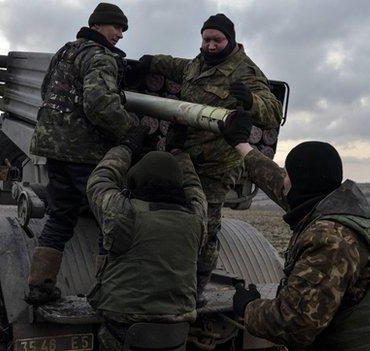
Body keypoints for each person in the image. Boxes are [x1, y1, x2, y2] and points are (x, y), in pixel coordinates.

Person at [224, 129, 370, 349]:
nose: (282, 180)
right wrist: (242, 145)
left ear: (297, 183)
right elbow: (275, 180)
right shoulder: (340, 208)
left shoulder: (330, 239)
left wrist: (248, 307)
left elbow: (294, 323)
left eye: (287, 175)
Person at [137, 13, 283, 296]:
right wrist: (152, 61)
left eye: (217, 40)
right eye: (206, 40)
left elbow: (273, 111)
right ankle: (168, 279)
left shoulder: (246, 71)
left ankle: (195, 292)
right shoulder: (198, 64)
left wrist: (251, 101)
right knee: (177, 220)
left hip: (218, 164)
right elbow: (178, 67)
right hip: (186, 158)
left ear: (230, 40)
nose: (211, 45)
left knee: (206, 229)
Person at [26, 2, 137, 305]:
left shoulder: (66, 50)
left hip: (53, 148)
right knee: (108, 218)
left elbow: (47, 89)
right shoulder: (100, 57)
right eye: (117, 27)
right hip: (84, 154)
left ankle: (39, 285)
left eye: (123, 29)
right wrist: (130, 131)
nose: (120, 34)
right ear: (99, 25)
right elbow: (100, 102)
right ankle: (106, 293)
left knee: (61, 215)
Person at [85, 125, 208, 349]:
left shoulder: (124, 213)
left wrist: (126, 146)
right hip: (176, 329)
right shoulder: (196, 218)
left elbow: (100, 180)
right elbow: (193, 186)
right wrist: (178, 152)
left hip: (123, 325)